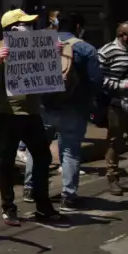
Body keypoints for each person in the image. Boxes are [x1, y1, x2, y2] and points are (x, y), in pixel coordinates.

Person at [0, 9, 68, 227]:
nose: (29, 27)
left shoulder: (36, 46)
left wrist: (54, 55)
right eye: (24, 24)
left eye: (30, 24)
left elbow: (48, 77)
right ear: (12, 28)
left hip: (32, 113)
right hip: (7, 114)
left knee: (42, 158)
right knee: (5, 162)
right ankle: (8, 207)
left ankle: (43, 205)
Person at [24, 13, 101, 211]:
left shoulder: (40, 43)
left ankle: (30, 189)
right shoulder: (86, 49)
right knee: (70, 152)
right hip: (75, 108)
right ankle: (68, 196)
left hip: (43, 106)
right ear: (78, 27)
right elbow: (95, 82)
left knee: (37, 148)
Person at [100, 22, 128, 196]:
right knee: (114, 142)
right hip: (117, 103)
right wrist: (120, 85)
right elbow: (98, 78)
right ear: (121, 35)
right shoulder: (106, 52)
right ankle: (113, 178)